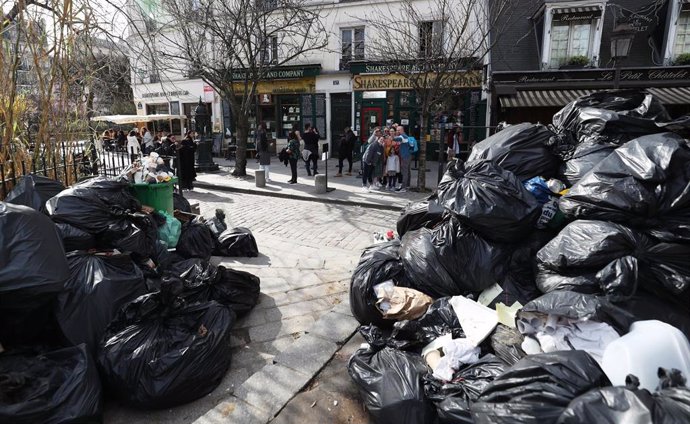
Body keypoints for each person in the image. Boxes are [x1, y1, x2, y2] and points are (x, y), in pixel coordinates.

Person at [393, 126, 412, 192]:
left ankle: (404, 187)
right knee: (407, 171)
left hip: (405, 156)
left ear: (402, 130)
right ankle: (407, 185)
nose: (397, 131)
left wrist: (392, 135)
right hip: (408, 155)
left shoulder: (402, 136)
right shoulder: (406, 136)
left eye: (398, 130)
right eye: (397, 130)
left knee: (404, 171)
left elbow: (395, 139)